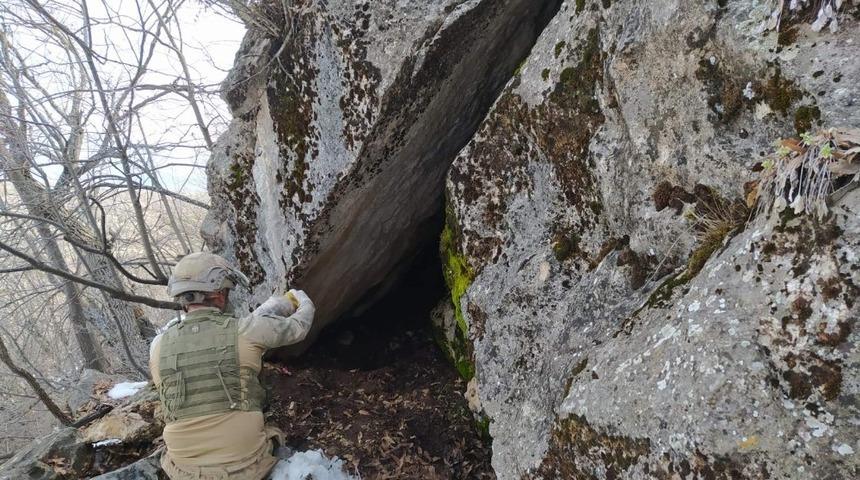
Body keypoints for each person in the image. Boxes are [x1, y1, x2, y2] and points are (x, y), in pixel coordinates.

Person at [149, 252, 314, 480]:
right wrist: (301, 299)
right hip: (246, 464)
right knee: (271, 431)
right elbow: (298, 327)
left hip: (184, 471)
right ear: (218, 295)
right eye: (227, 291)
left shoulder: (158, 345)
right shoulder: (246, 331)